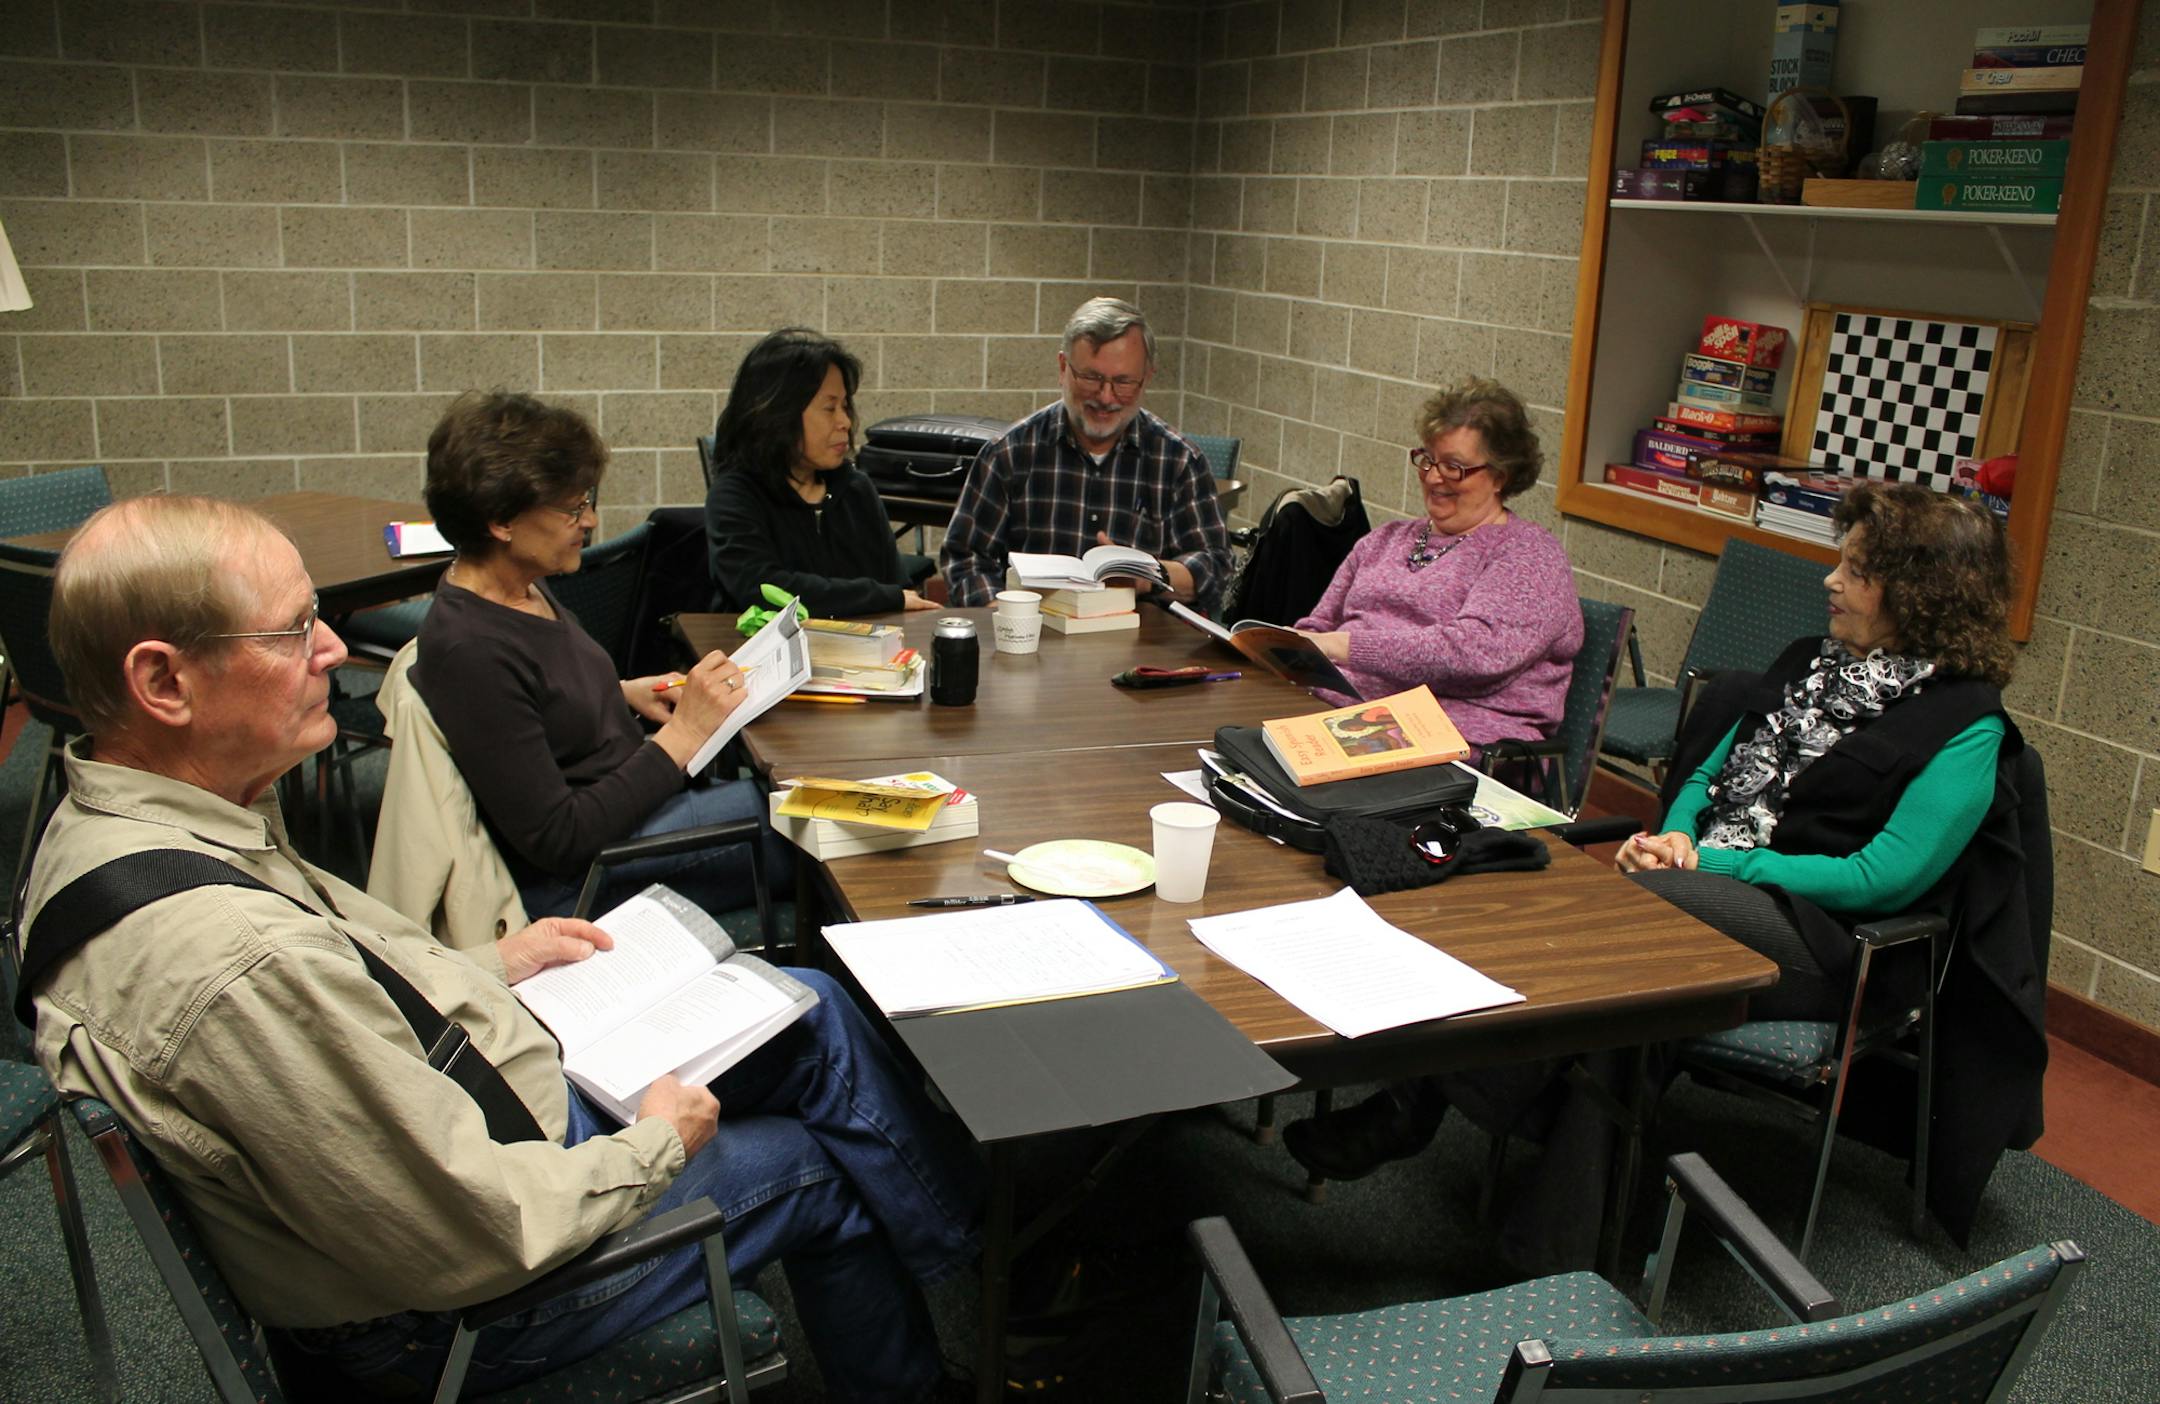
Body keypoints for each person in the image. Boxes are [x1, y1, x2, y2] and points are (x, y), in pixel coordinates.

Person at [21, 495, 981, 1401]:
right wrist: (653, 1145)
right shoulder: (230, 961)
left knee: (805, 1000)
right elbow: (472, 1232)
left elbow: (341, 1006)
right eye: (288, 632)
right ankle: (959, 1310)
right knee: (817, 1163)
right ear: (162, 682)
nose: (330, 649)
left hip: (477, 1105)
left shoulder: (123, 824)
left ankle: (972, 1250)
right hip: (457, 1302)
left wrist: (493, 965)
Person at [1283, 483, 2031, 1267]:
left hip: (1826, 939)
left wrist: (1708, 861)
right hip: (1696, 893)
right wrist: (1675, 835)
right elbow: (1708, 773)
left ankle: (1422, 1100)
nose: (1829, 582)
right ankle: (1551, 1248)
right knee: (1635, 1002)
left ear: (1918, 595)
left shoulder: (1967, 728)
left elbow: (1882, 876)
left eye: (1856, 572)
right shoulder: (1812, 662)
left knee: (1624, 917)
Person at [414, 391, 791, 922]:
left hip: (631, 813)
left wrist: (623, 694)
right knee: (797, 823)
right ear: (501, 521)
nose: (589, 520)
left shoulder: (517, 586)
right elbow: (559, 839)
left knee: (789, 798)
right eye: (573, 508)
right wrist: (681, 737)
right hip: (589, 877)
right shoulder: (470, 649)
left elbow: (529, 709)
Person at [1291, 376, 1580, 752]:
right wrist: (1288, 649)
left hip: (1454, 733)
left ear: (1499, 476)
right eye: (1428, 460)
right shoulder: (1385, 539)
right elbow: (1319, 626)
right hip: (1340, 710)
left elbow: (1473, 654)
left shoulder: (1528, 555)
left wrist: (1343, 647)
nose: (1433, 477)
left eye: (1454, 467)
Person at [940, 296, 1230, 608]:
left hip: (1143, 645)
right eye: (1091, 378)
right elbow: (965, 559)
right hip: (1036, 642)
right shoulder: (1009, 453)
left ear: (1146, 378)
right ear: (1063, 368)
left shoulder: (1178, 461)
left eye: (1123, 382)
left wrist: (1148, 576)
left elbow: (1214, 568)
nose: (1106, 397)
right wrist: (1007, 616)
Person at [706, 328, 938, 616]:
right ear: (777, 415)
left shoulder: (856, 489)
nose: (844, 422)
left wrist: (887, 599)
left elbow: (897, 588)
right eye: (829, 408)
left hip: (863, 654)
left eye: (845, 406)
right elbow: (763, 590)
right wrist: (879, 596)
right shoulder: (735, 495)